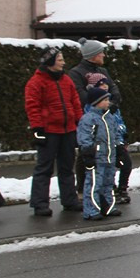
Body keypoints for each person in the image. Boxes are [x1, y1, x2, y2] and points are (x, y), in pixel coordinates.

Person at [24, 46, 83, 216]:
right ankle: (39, 203)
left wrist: (80, 123)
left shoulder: (66, 80)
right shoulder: (36, 82)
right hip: (49, 131)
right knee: (44, 168)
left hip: (68, 130)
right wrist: (38, 130)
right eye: (60, 59)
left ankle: (70, 200)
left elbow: (75, 102)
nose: (63, 62)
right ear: (50, 62)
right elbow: (32, 107)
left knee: (67, 167)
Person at [68, 38, 122, 193]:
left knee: (108, 151)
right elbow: (82, 96)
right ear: (93, 55)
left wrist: (111, 104)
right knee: (87, 153)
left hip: (107, 115)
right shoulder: (76, 73)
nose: (104, 55)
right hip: (89, 117)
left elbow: (113, 88)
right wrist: (100, 103)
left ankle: (107, 185)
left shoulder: (103, 71)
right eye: (101, 53)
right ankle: (83, 188)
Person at [76, 84, 122, 220]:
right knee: (93, 184)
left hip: (109, 157)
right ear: (97, 102)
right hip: (96, 158)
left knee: (109, 183)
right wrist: (88, 154)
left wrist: (119, 147)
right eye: (105, 100)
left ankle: (108, 206)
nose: (108, 102)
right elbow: (85, 138)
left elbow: (116, 133)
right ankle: (91, 210)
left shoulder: (110, 117)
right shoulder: (88, 118)